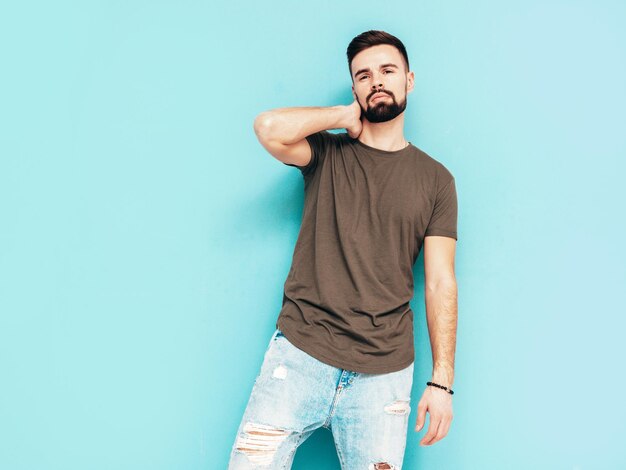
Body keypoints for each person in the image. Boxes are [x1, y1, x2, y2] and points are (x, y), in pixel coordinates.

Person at [228, 30, 458, 469]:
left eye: (387, 71)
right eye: (363, 75)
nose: (376, 81)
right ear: (354, 88)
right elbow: (267, 128)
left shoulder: (436, 181)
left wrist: (442, 382)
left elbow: (441, 281)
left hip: (383, 373)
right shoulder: (327, 153)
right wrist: (341, 116)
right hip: (299, 354)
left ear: (409, 80)